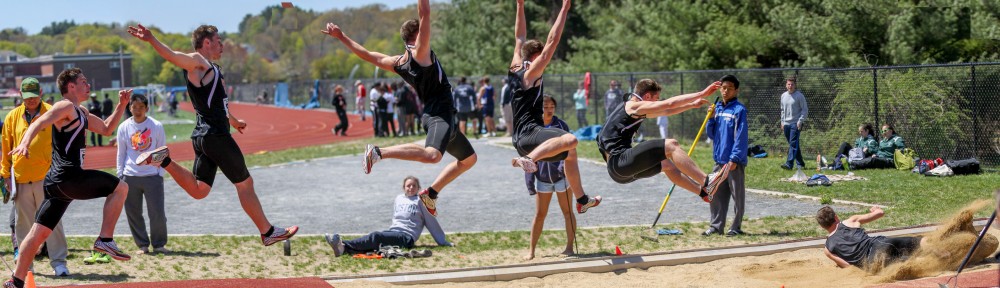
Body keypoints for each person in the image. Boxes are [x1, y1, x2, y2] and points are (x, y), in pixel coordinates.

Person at [126, 24, 298, 246]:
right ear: (206, 42)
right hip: (215, 135)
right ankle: (268, 232)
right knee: (245, 183)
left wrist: (234, 122)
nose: (222, 45)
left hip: (203, 135)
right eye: (218, 41)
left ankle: (164, 160)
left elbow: (220, 106)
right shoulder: (197, 62)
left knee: (199, 191)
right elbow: (172, 56)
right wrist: (152, 40)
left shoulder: (213, 69)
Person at [322, 0, 477, 217]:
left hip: (443, 117)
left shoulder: (398, 62)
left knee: (469, 159)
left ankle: (430, 193)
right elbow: (424, 12)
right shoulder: (421, 52)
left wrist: (342, 37)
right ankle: (378, 152)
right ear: (418, 35)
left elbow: (367, 55)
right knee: (433, 155)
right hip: (438, 115)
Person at [3, 68, 133, 288]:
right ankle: (105, 240)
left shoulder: (80, 111)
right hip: (68, 177)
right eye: (83, 81)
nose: (88, 85)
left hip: (57, 183)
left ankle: (16, 280)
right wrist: (24, 142)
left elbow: (106, 128)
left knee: (37, 234)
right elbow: (38, 122)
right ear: (71, 86)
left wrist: (121, 105)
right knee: (120, 188)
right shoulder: (64, 106)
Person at [508, 0, 601, 214]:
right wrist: (564, 9)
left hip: (523, 137)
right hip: (530, 136)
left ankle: (582, 199)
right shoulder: (531, 73)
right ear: (535, 56)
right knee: (571, 139)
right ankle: (528, 160)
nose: (545, 61)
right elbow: (553, 40)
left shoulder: (515, 64)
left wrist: (520, 6)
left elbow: (519, 37)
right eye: (541, 57)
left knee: (569, 151)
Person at [597, 79, 726, 203]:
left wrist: (691, 105)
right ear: (647, 96)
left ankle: (703, 193)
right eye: (656, 99)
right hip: (620, 162)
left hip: (617, 172)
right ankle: (707, 181)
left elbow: (667, 110)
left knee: (668, 165)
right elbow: (669, 104)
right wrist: (701, 93)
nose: (657, 102)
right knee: (671, 145)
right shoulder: (633, 106)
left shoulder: (631, 109)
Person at [1, 77, 70, 276]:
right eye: (27, 96)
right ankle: (26, 266)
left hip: (47, 178)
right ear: (21, 95)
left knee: (53, 221)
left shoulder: (52, 112)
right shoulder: (12, 117)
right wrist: (5, 174)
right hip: (21, 179)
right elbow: (6, 147)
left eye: (34, 96)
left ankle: (59, 263)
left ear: (40, 93)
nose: (31, 100)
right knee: (23, 225)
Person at [325, 176, 451, 256]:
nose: (411, 187)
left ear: (419, 188)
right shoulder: (399, 198)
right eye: (408, 185)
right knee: (376, 243)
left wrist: (442, 241)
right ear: (404, 188)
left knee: (376, 236)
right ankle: (344, 250)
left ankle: (343, 245)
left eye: (414, 185)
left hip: (407, 237)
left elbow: (431, 222)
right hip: (394, 232)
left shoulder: (421, 201)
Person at [116, 94, 169, 255]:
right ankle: (142, 244)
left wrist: (159, 172)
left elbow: (162, 150)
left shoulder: (156, 126)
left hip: (152, 176)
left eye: (141, 107)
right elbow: (121, 153)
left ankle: (159, 244)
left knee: (157, 212)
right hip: (130, 176)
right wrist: (120, 174)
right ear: (130, 108)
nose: (137, 110)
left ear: (147, 108)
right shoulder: (124, 127)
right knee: (133, 213)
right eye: (134, 107)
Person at [523, 95, 575, 260]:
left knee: (567, 212)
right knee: (539, 214)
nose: (549, 109)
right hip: (542, 180)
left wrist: (562, 167)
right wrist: (529, 181)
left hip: (562, 178)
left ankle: (569, 247)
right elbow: (528, 156)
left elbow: (569, 149)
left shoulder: (561, 125)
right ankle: (531, 251)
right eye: (545, 106)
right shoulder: (534, 127)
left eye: (552, 106)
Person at [704, 74, 749, 236]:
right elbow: (711, 134)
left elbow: (741, 136)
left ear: (736, 90)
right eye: (723, 88)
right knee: (713, 192)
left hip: (733, 162)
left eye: (729, 88)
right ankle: (716, 226)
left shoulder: (739, 110)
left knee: (737, 196)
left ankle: (735, 227)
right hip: (719, 161)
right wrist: (711, 118)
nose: (725, 91)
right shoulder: (719, 109)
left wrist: (735, 159)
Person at [817, 206, 926, 269]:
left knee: (908, 261)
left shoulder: (827, 249)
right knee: (918, 242)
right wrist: (875, 209)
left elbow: (848, 266)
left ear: (822, 226)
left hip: (872, 262)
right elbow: (880, 213)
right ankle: (938, 247)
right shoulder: (850, 221)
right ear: (836, 216)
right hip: (879, 243)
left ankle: (928, 261)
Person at [779, 76, 808, 170]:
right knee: (793, 144)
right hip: (786, 124)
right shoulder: (783, 96)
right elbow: (782, 110)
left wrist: (800, 121)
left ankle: (789, 164)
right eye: (788, 84)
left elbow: (804, 110)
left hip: (795, 124)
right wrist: (782, 122)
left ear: (795, 85)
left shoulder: (799, 96)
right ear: (786, 85)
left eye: (792, 84)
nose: (790, 86)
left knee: (793, 143)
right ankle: (801, 163)